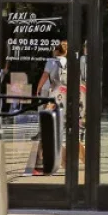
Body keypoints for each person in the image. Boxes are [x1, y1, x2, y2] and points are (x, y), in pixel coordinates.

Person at [34, 42, 68, 176]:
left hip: (47, 90)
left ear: (56, 50)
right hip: (58, 90)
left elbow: (44, 75)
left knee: (44, 113)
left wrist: (38, 88)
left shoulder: (51, 61)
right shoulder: (65, 61)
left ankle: (42, 133)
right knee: (56, 113)